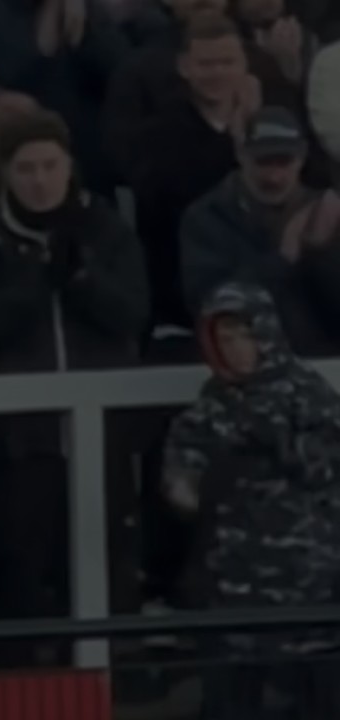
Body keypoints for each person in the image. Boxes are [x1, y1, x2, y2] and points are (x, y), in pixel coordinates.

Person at [164, 282, 340, 719]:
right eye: (225, 340)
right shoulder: (211, 406)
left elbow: (328, 466)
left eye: (246, 335)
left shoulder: (309, 395)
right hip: (231, 590)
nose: (238, 348)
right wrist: (190, 485)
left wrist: (278, 443)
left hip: (309, 591)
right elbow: (181, 479)